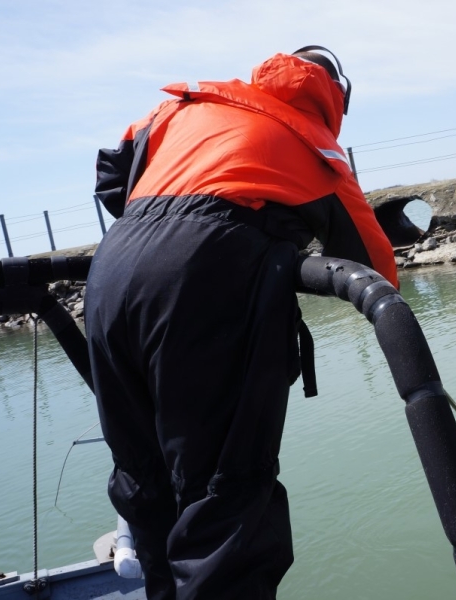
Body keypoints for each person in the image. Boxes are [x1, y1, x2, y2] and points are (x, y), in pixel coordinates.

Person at [85, 46, 398, 600]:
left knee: (145, 480)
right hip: (203, 280)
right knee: (224, 500)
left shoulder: (180, 108)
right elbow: (376, 268)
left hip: (110, 277)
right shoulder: (315, 142)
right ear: (335, 99)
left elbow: (111, 171)